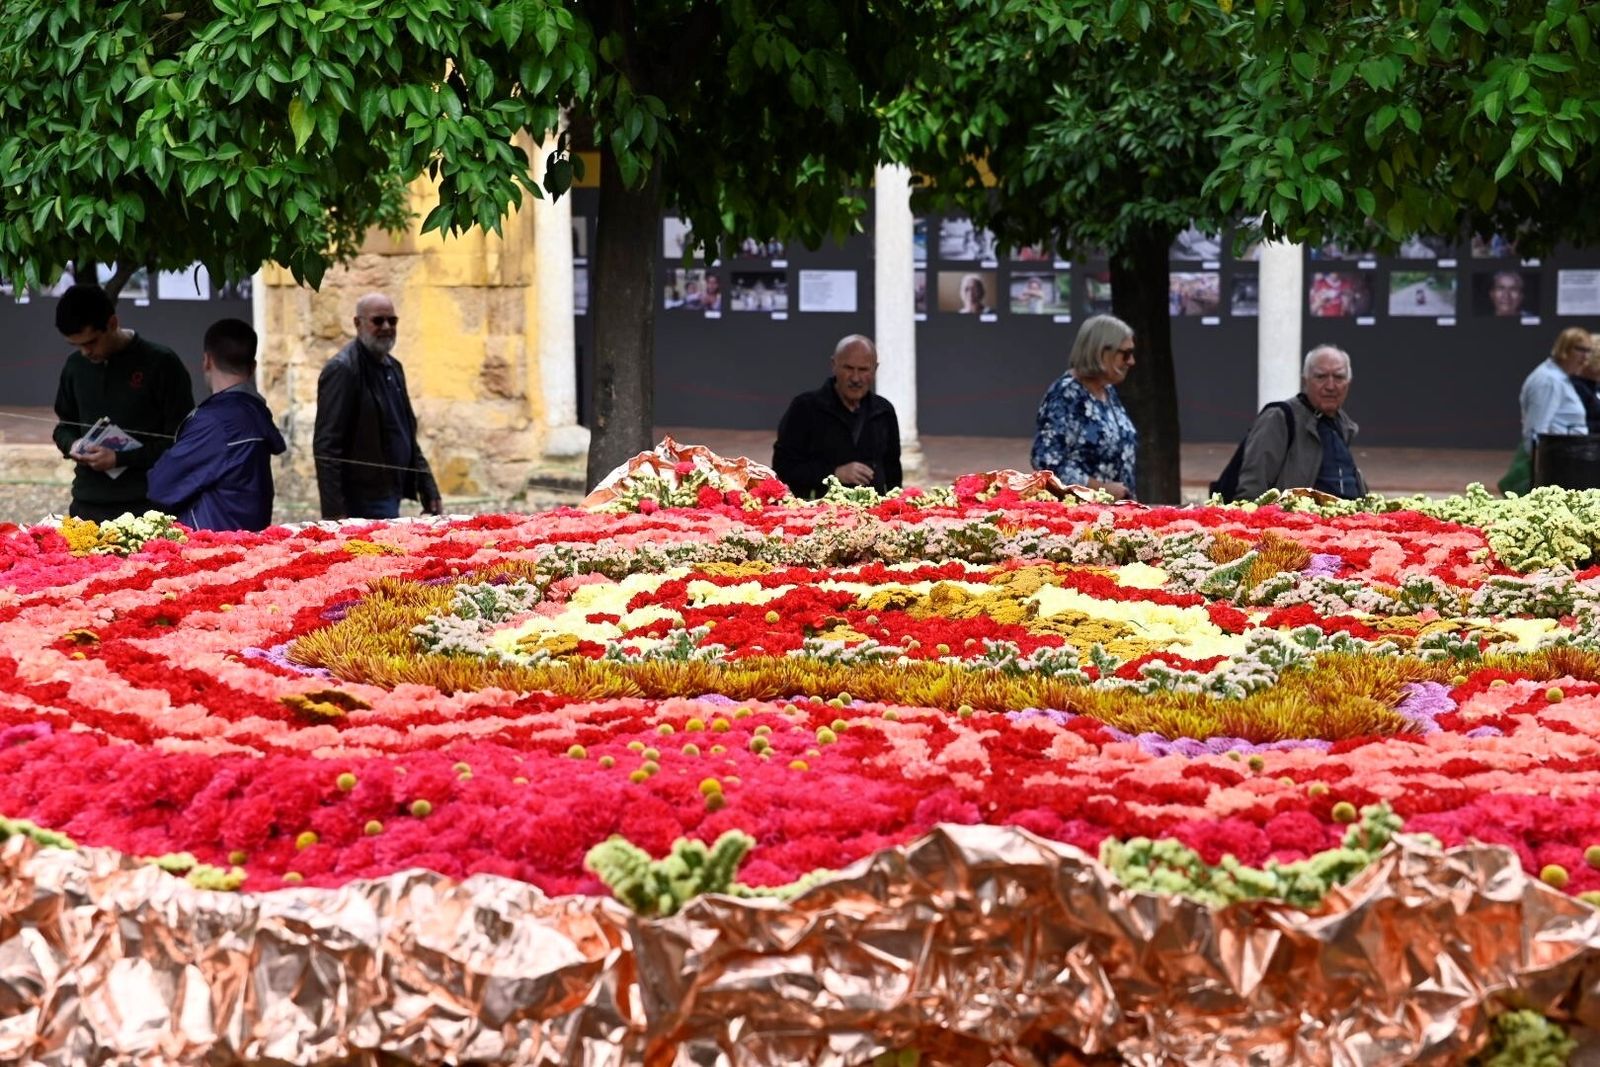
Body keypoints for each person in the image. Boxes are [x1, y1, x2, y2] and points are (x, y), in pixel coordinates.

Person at [51, 284, 194, 521]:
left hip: (148, 507)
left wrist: (120, 458)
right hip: (88, 505)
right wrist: (73, 445)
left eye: (91, 342)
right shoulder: (75, 366)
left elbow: (183, 442)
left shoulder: (161, 363)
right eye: (77, 345)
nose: (85, 352)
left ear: (112, 323)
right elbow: (63, 427)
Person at [147, 319, 286, 531]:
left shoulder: (214, 422)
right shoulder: (256, 412)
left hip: (211, 545)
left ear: (207, 361)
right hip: (247, 538)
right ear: (253, 367)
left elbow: (160, 487)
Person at [313, 292, 442, 520]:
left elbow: (406, 433)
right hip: (360, 497)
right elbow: (327, 447)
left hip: (390, 490)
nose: (386, 327)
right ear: (358, 323)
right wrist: (334, 514)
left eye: (392, 321)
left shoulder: (393, 367)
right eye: (377, 320)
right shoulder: (343, 370)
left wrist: (427, 485)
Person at [772, 335, 902, 499]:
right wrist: (834, 473)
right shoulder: (804, 408)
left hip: (874, 516)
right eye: (848, 368)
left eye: (863, 370)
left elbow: (893, 473)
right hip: (817, 516)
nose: (855, 378)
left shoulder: (884, 411)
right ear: (834, 365)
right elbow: (783, 468)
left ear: (875, 369)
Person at [1232, 345, 1368, 500]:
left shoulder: (1342, 425)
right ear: (1305, 380)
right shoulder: (1279, 418)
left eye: (1338, 377)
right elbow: (1252, 488)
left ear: (1348, 383)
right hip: (1297, 521)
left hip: (1348, 521)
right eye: (1321, 377)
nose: (1330, 386)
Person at [1030, 314, 1139, 499]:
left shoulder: (1107, 391)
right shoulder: (1066, 394)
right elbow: (1046, 461)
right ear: (1101, 352)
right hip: (1081, 518)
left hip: (1113, 513)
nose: (1131, 361)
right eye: (1125, 354)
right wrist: (1099, 488)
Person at [1520, 327, 1592, 448]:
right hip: (1555, 460)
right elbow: (1537, 431)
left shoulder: (1560, 378)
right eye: (1580, 350)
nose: (1585, 357)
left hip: (1566, 457)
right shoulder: (1549, 380)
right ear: (1564, 349)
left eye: (1588, 351)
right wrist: (1540, 464)